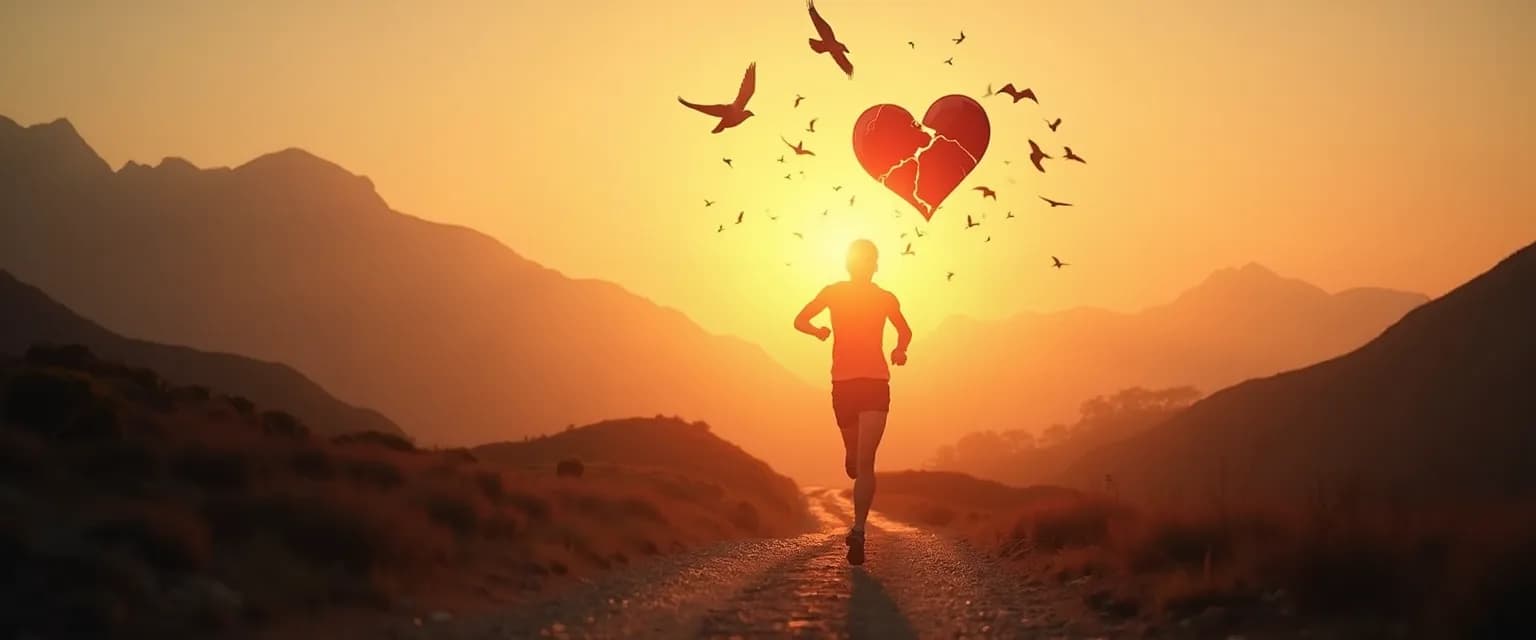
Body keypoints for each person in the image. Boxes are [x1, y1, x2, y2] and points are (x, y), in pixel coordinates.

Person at [794, 238, 912, 565]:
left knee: (864, 464)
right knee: (860, 461)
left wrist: (817, 331)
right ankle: (853, 464)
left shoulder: (875, 297)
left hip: (865, 382)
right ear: (871, 265)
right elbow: (800, 320)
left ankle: (858, 531)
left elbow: (904, 331)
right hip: (854, 384)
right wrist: (900, 348)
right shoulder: (840, 293)